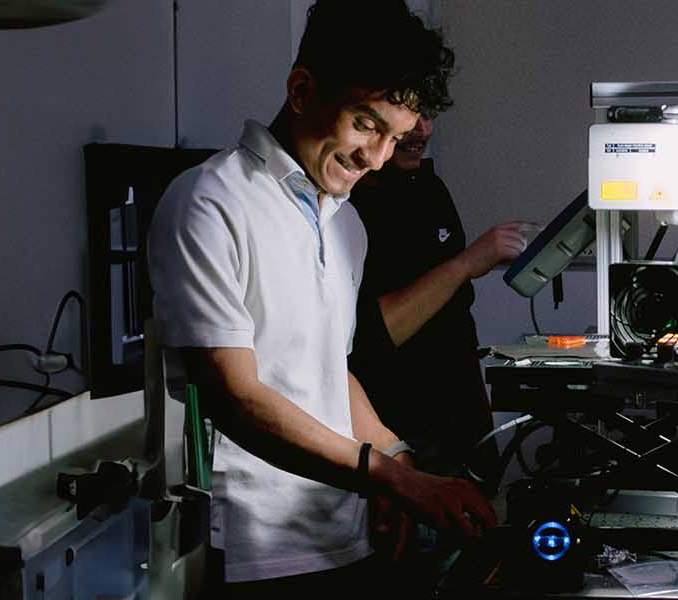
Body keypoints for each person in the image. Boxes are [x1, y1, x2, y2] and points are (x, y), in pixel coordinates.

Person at [146, 1, 494, 595]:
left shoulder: (345, 223)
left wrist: (396, 456)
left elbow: (332, 373)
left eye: (396, 137)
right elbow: (236, 396)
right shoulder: (210, 202)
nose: (378, 157)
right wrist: (387, 476)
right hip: (255, 551)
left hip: (347, 531)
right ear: (303, 90)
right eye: (365, 124)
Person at [344, 114, 535, 583]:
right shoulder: (358, 202)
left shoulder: (430, 188)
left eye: (427, 114)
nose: (421, 130)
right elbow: (374, 337)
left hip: (461, 429)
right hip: (405, 438)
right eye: (407, 116)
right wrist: (470, 261)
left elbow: (451, 319)